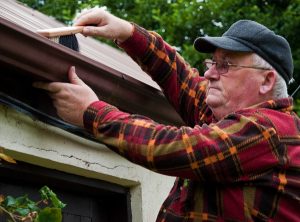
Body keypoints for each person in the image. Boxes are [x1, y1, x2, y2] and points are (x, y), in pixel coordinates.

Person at [33, 8, 300, 222]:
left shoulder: (269, 130)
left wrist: (92, 113)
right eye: (212, 63)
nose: (209, 73)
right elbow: (183, 80)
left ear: (266, 82)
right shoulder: (227, 123)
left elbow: (176, 147)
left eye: (225, 65)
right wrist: (127, 33)